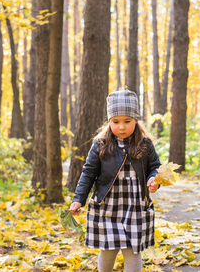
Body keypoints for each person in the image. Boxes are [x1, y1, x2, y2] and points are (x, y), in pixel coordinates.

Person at [69, 89, 161, 272]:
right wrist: (78, 199)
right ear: (109, 121)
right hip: (107, 206)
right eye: (115, 122)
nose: (121, 127)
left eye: (127, 121)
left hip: (135, 206)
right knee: (108, 248)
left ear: (136, 120)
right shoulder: (100, 144)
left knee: (132, 250)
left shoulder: (145, 144)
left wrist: (154, 179)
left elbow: (154, 167)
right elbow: (88, 173)